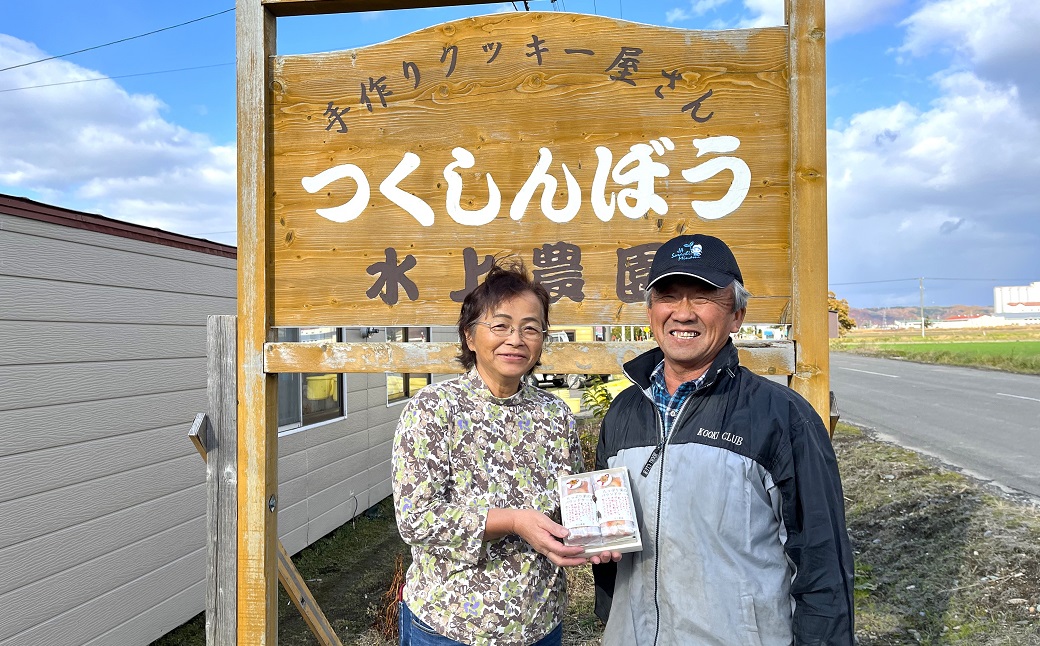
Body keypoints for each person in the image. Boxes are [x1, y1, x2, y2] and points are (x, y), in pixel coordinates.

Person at [593, 234, 855, 645]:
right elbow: (606, 537)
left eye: (704, 297)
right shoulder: (624, 411)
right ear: (650, 311)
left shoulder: (781, 416)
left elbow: (822, 561)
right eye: (668, 296)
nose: (682, 313)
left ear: (737, 315)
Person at [392, 260, 602, 646]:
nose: (516, 339)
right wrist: (515, 521)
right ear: (470, 338)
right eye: (500, 325)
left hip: (540, 622)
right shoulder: (435, 408)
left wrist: (600, 537)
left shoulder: (555, 414)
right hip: (451, 626)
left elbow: (573, 502)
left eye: (530, 328)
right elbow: (416, 519)